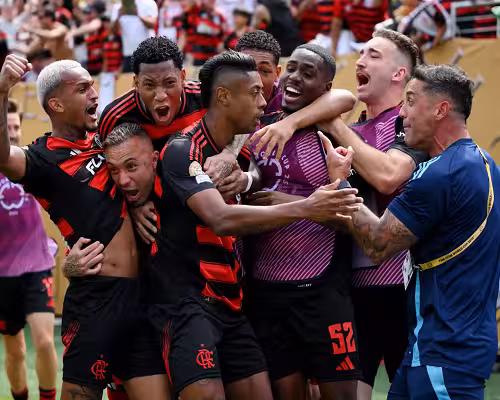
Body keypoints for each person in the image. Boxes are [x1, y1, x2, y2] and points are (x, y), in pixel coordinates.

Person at [102, 51, 362, 399]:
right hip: (186, 305)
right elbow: (221, 219)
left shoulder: (238, 149)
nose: (264, 101)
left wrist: (253, 179)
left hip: (231, 304)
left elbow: (341, 100)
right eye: (254, 93)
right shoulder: (182, 150)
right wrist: (307, 207)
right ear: (224, 96)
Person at [250, 29, 427, 400]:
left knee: (412, 391)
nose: (361, 60)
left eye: (373, 55)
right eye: (361, 53)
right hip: (352, 286)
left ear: (399, 74)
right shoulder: (353, 126)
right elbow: (340, 99)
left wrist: (323, 123)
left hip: (399, 288)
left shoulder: (405, 125)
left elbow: (386, 176)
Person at [321, 64, 500, 399]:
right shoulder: (486, 164)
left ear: (440, 109)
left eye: (411, 101)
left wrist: (340, 182)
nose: (402, 113)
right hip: (440, 345)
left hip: (444, 351)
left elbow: (376, 244)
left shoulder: (441, 175)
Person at [0, 55, 169, 400]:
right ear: (56, 104)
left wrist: (138, 204)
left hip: (142, 296)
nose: (94, 93)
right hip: (96, 299)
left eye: (92, 85)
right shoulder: (42, 158)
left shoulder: (108, 139)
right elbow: (4, 158)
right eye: (82, 89)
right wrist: (2, 91)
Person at [240, 44, 359, 400]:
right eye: (291, 69)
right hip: (266, 293)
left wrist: (293, 204)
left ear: (324, 87)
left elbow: (350, 220)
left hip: (322, 291)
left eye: (308, 74)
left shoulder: (330, 134)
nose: (294, 78)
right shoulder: (256, 123)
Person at [0, 99, 58, 400]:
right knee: (15, 351)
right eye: (6, 127)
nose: (12, 132)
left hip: (36, 266)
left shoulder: (30, 163)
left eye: (15, 127)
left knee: (45, 341)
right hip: (2, 274)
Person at [111, 0, 159, 73]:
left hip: (148, 52)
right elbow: (114, 31)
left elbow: (152, 24)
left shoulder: (149, 2)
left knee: (150, 78)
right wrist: (118, 16)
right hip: (128, 53)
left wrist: (138, 15)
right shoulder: (118, 6)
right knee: (131, 79)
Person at [176, 0, 227, 66]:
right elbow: (183, 36)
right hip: (196, 57)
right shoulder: (191, 12)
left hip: (214, 57)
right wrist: (178, 55)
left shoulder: (218, 16)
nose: (211, 1)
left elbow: (222, 38)